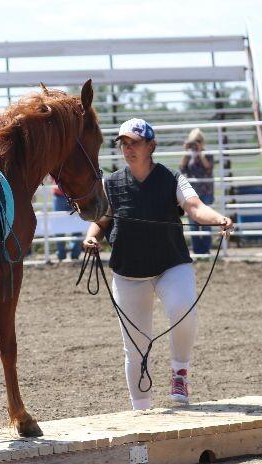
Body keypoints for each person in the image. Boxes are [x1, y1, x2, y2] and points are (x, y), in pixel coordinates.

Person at [82, 118, 233, 410]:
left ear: (151, 145)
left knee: (182, 308)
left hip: (170, 264)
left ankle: (180, 371)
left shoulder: (172, 177)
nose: (128, 149)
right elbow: (99, 223)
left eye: (134, 143)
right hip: (128, 272)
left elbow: (195, 207)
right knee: (135, 348)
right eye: (124, 144)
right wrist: (91, 238)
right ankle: (141, 410)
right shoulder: (110, 183)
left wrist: (219, 219)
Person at [179, 128, 215, 255]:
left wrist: (200, 152)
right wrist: (186, 151)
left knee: (205, 222)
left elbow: (208, 167)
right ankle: (196, 250)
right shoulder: (189, 155)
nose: (195, 144)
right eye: (193, 141)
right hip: (191, 193)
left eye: (198, 141)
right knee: (193, 223)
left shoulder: (207, 153)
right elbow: (182, 167)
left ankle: (205, 250)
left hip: (205, 192)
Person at [52, 184, 83, 261]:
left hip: (74, 195)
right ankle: (62, 254)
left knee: (76, 224)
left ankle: (74, 254)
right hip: (61, 195)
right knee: (59, 226)